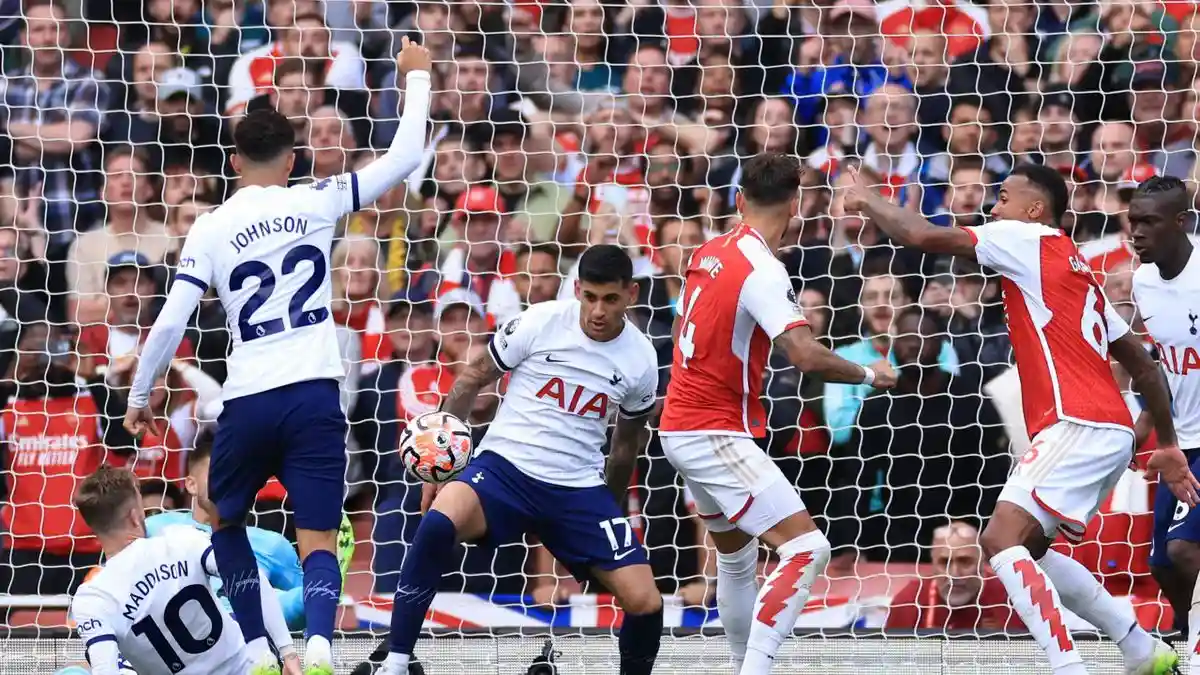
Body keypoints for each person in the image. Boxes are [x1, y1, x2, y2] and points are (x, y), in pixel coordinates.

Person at [120, 39, 433, 675]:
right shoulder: (316, 198)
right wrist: (418, 77)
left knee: (226, 523)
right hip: (315, 390)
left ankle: (263, 653)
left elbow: (171, 320)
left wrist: (138, 396)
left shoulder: (210, 226)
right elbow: (404, 156)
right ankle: (318, 646)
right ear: (292, 157)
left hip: (249, 393)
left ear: (234, 160)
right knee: (319, 535)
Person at [842, 161, 1192, 674]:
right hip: (1106, 428)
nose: (993, 206)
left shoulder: (1026, 238)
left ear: (1034, 209)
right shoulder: (1075, 270)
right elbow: (1142, 363)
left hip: (1078, 422)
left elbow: (920, 234)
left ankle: (1068, 667)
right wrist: (1167, 442)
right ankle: (1140, 650)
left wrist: (867, 198)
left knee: (998, 540)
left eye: (1003, 196)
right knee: (1033, 548)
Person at [657, 152, 899, 674]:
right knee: (808, 547)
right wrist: (868, 374)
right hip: (713, 431)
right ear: (795, 206)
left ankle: (741, 661)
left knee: (738, 559)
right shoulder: (763, 270)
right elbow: (804, 355)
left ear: (740, 199)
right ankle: (756, 669)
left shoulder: (710, 250)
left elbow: (686, 334)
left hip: (681, 424)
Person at [375, 245, 663, 675]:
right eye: (589, 297)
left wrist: (610, 509)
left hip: (576, 487)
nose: (598, 310)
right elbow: (471, 378)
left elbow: (624, 447)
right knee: (437, 522)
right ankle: (396, 661)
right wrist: (444, 463)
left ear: (631, 294)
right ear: (577, 289)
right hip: (504, 468)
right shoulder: (540, 322)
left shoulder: (642, 359)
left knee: (646, 602)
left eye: (610, 299)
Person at [68, 465, 299, 675]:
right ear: (135, 517)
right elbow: (249, 578)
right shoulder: (181, 538)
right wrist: (287, 652)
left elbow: (104, 670)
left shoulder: (92, 598)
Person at [145, 433, 355, 631]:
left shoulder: (272, 545)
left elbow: (303, 616)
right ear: (191, 484)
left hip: (241, 633)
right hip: (172, 629)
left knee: (290, 600)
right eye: (217, 475)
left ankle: (329, 571)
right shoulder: (156, 527)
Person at [1126, 175, 1200, 669]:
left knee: (1181, 549)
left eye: (1149, 222)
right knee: (1161, 563)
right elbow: (1163, 367)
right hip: (1182, 440)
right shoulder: (1142, 282)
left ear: (1182, 222)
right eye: (1133, 222)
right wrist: (1139, 430)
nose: (1137, 233)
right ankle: (1185, 627)